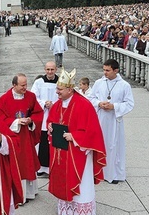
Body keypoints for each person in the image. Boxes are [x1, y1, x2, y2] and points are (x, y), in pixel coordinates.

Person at [46, 68, 106, 214]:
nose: (57, 92)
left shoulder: (84, 105)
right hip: (61, 153)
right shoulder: (57, 104)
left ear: (70, 89)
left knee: (82, 188)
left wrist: (75, 137)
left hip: (78, 153)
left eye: (60, 89)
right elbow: (52, 120)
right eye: (57, 89)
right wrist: (50, 127)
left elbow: (93, 132)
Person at [0, 73, 44, 204]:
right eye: (22, 85)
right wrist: (16, 122)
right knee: (16, 163)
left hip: (26, 137)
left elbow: (38, 113)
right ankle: (17, 194)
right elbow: (0, 119)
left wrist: (31, 120)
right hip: (12, 137)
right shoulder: (4, 100)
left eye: (26, 85)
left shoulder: (31, 96)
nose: (25, 88)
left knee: (27, 162)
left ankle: (29, 193)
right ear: (14, 85)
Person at [89, 59, 134, 184]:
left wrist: (114, 106)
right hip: (101, 118)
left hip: (115, 120)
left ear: (116, 70)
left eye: (107, 70)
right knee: (99, 144)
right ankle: (97, 172)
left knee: (113, 146)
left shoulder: (124, 85)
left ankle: (112, 174)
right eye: (104, 70)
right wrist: (99, 103)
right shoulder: (99, 83)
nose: (105, 73)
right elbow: (91, 98)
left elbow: (129, 104)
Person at [30, 61, 59, 176]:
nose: (50, 72)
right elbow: (33, 97)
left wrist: (54, 105)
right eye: (48, 69)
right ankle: (42, 168)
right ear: (44, 69)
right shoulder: (39, 82)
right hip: (43, 114)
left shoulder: (61, 81)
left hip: (56, 114)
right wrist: (44, 103)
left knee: (55, 140)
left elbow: (66, 96)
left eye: (52, 69)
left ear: (56, 69)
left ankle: (54, 166)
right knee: (43, 140)